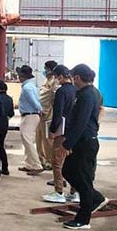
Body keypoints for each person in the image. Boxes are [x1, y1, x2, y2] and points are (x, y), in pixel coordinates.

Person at [60, 64, 107, 230]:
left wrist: (68, 144)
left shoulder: (87, 95)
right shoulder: (83, 93)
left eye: (73, 78)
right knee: (67, 171)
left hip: (86, 142)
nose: (72, 81)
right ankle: (96, 198)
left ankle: (83, 219)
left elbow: (81, 122)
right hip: (81, 141)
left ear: (77, 77)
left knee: (84, 180)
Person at [43, 65, 78, 203]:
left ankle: (59, 192)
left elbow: (58, 114)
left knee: (56, 161)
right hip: (74, 132)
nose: (56, 80)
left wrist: (52, 130)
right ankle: (74, 192)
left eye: (56, 77)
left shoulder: (61, 92)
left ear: (61, 77)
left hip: (62, 131)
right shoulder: (76, 90)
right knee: (72, 162)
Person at [17, 65, 45, 175]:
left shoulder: (27, 88)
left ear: (22, 76)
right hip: (30, 115)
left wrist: (40, 109)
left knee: (27, 139)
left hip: (30, 115)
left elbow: (33, 101)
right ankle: (29, 164)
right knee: (26, 139)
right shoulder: (31, 86)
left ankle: (36, 165)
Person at [36, 60, 59, 172]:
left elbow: (54, 98)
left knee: (47, 139)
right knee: (39, 137)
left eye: (46, 69)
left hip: (48, 113)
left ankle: (50, 160)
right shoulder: (47, 80)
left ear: (50, 70)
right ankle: (41, 159)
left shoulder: (55, 82)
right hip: (40, 112)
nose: (44, 71)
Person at [0, 78, 14, 176]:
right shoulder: (9, 98)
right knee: (1, 145)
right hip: (4, 124)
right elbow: (11, 113)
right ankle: (5, 167)